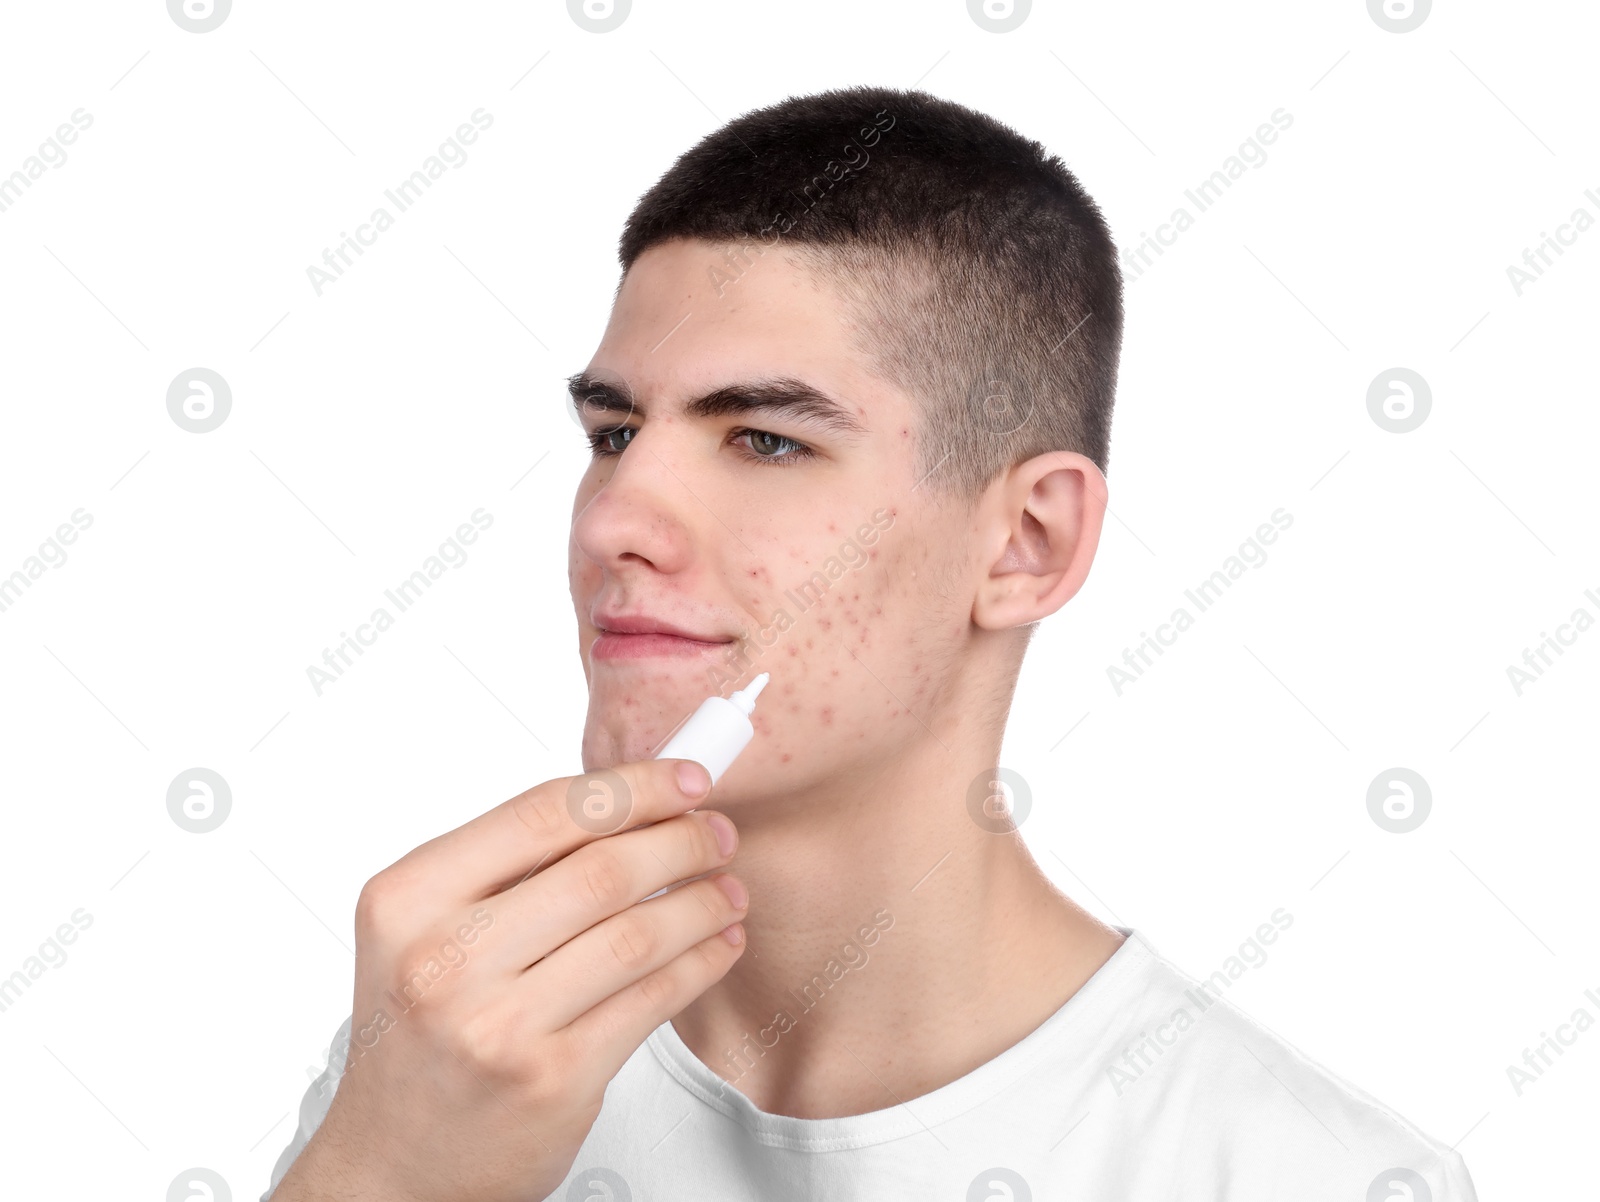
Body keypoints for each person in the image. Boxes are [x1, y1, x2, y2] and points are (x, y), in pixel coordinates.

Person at [262, 86, 1477, 1200]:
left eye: (766, 440)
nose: (615, 520)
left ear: (1026, 544)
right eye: (615, 432)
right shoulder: (462, 1058)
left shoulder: (1293, 1174)